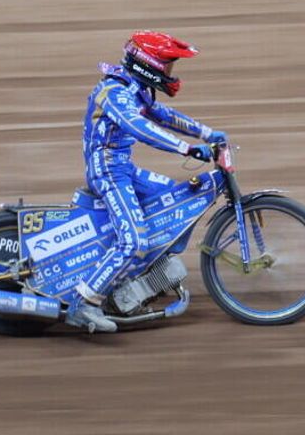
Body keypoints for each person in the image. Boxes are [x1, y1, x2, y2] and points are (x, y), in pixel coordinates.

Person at [65, 31, 226, 333]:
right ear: (148, 64)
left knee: (175, 198)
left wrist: (206, 132)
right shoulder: (112, 92)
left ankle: (141, 281)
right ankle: (83, 303)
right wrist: (187, 148)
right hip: (108, 173)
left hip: (124, 169)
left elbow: (162, 115)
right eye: (167, 66)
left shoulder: (134, 88)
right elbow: (140, 127)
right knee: (134, 241)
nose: (169, 73)